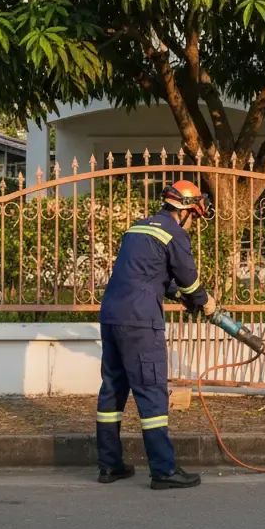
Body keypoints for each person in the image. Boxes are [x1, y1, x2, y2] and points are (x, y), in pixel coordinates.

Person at [95, 179, 217, 489]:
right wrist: (205, 302)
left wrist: (180, 295)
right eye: (195, 217)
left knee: (113, 389)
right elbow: (188, 279)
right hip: (140, 320)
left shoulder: (137, 228)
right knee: (151, 391)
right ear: (187, 210)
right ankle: (163, 470)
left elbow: (149, 274)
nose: (194, 224)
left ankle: (110, 466)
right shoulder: (174, 233)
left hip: (112, 316)